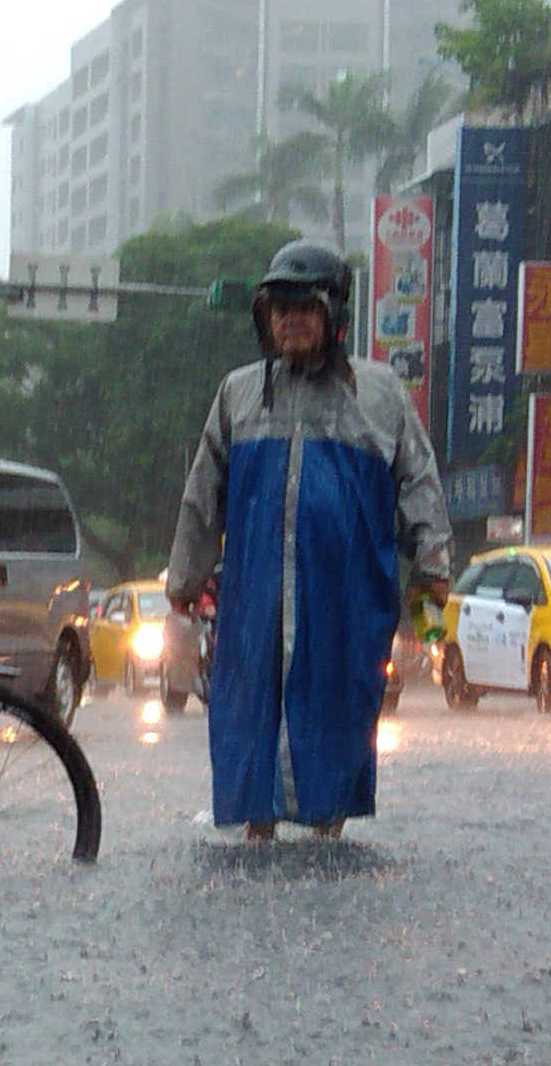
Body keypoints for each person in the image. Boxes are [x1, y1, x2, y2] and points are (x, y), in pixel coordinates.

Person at [167, 239, 452, 843]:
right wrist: (184, 581)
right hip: (256, 592)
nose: (290, 320)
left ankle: (329, 826)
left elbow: (418, 481)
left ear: (334, 317)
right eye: (279, 309)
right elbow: (202, 492)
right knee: (249, 705)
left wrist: (432, 564)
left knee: (341, 700)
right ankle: (258, 825)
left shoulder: (380, 395)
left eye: (304, 307)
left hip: (346, 592)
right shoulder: (238, 394)